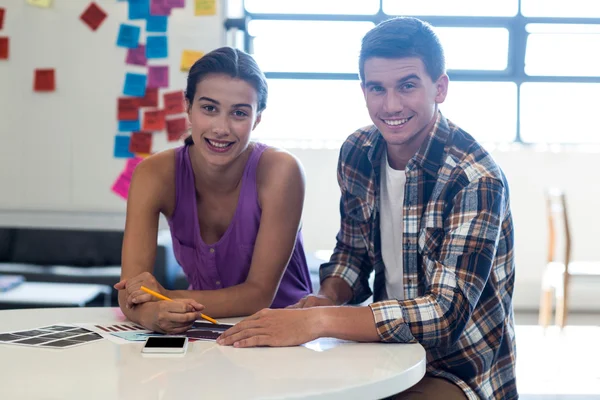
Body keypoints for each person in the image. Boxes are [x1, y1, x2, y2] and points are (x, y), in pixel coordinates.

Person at [217, 18, 517, 400]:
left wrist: (320, 320)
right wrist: (326, 297)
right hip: (386, 350)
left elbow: (445, 316)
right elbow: (353, 256)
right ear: (363, 90)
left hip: (463, 367)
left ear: (439, 88)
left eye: (407, 86)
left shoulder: (475, 178)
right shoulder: (358, 151)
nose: (391, 105)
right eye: (377, 88)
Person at [114, 47, 313, 335]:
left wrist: (164, 298)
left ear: (257, 119)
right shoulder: (153, 174)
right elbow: (129, 289)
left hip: (286, 337)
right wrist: (152, 314)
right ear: (188, 106)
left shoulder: (282, 171)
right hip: (206, 331)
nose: (221, 128)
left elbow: (258, 295)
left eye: (239, 113)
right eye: (209, 108)